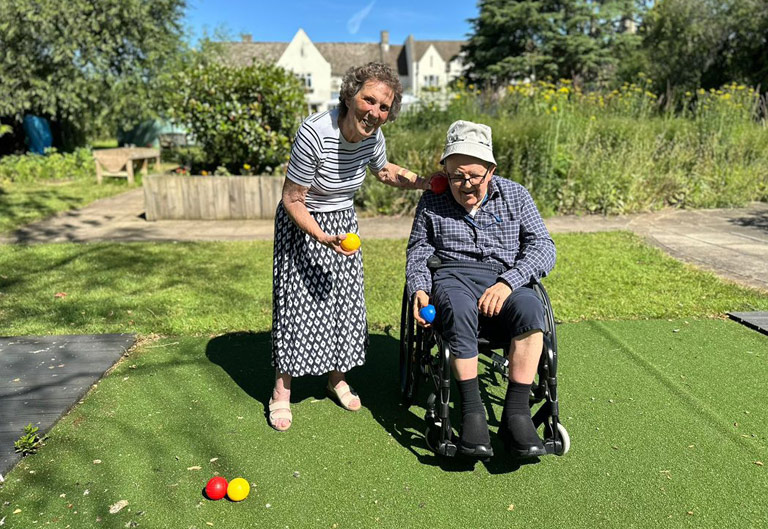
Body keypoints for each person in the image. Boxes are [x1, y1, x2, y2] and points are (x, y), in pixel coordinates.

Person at [270, 62, 430, 431]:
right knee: (296, 307)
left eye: (384, 107)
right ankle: (282, 391)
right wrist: (321, 236)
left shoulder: (373, 137)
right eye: (368, 100)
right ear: (350, 95)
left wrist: (423, 181)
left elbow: (384, 170)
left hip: (343, 223)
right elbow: (292, 199)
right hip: (304, 221)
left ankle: (336, 379)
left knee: (345, 305)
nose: (374, 112)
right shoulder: (314, 132)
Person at [405, 120, 556, 458]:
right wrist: (419, 288)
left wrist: (509, 282)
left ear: (491, 169)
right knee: (457, 310)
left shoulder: (515, 194)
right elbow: (419, 250)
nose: (466, 184)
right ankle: (472, 411)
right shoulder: (433, 201)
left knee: (532, 309)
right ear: (445, 170)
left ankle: (516, 414)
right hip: (452, 275)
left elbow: (544, 246)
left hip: (504, 276)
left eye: (474, 175)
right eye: (457, 176)